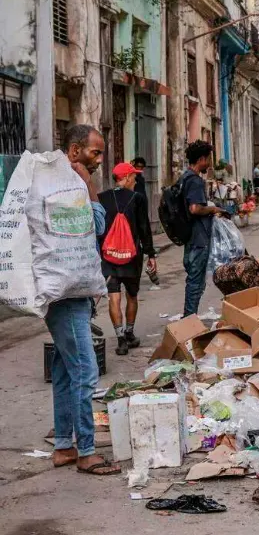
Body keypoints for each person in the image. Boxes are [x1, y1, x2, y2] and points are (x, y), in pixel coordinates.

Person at [48, 124, 120, 476]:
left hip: (62, 291)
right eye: (95, 151)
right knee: (85, 372)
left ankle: (64, 445)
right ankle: (87, 452)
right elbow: (97, 225)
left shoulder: (57, 182)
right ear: (75, 151)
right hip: (68, 295)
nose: (99, 159)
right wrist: (90, 187)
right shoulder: (69, 185)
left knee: (64, 370)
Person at [98, 162, 157, 356]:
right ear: (125, 178)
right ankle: (130, 333)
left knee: (113, 297)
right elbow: (144, 228)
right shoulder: (137, 198)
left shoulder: (102, 198)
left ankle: (120, 339)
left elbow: (98, 228)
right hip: (132, 257)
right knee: (132, 295)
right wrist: (151, 254)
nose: (135, 180)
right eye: (133, 176)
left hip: (108, 256)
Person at [179, 140, 224, 317]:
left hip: (190, 236)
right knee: (195, 282)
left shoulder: (184, 178)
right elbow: (195, 208)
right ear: (201, 159)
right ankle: (189, 319)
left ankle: (189, 317)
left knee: (194, 280)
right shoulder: (195, 180)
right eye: (208, 159)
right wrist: (213, 209)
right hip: (198, 238)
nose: (210, 163)